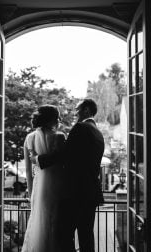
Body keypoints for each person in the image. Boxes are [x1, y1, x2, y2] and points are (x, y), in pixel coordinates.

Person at [36, 98, 105, 252]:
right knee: (86, 236)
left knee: (62, 234)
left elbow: (64, 153)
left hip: (75, 193)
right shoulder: (97, 132)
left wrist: (39, 159)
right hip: (90, 193)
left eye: (77, 109)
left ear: (86, 110)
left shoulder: (81, 128)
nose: (75, 112)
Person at [21, 105, 66, 252]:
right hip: (58, 186)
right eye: (57, 117)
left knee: (39, 224)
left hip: (39, 187)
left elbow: (28, 170)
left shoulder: (29, 138)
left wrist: (31, 194)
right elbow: (64, 164)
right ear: (53, 119)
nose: (59, 120)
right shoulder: (60, 137)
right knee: (56, 223)